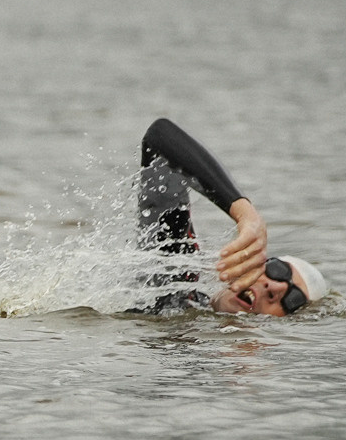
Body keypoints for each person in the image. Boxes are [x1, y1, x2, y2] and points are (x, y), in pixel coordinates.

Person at [138, 118, 327, 315]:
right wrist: (244, 212)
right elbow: (159, 137)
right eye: (278, 271)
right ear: (246, 267)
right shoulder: (174, 285)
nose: (276, 288)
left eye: (293, 300)